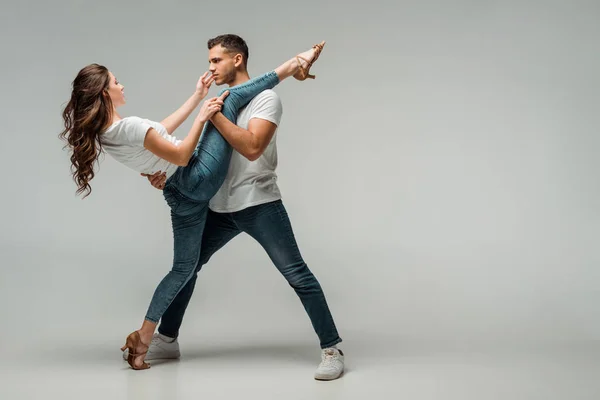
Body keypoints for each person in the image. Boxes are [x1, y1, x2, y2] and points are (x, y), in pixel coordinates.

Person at [60, 39, 325, 371]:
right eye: (115, 82)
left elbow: (162, 131)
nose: (121, 84)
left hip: (177, 192)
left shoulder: (109, 133)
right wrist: (204, 115)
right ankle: (291, 66)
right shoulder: (127, 126)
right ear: (103, 93)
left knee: (184, 268)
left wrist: (197, 97)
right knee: (225, 103)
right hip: (196, 178)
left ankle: (145, 340)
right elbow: (183, 154)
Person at [136, 34, 344, 381]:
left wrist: (213, 116)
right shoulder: (221, 102)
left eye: (216, 61)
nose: (211, 68)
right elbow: (199, 157)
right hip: (218, 206)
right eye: (209, 62)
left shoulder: (265, 99)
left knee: (297, 275)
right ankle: (168, 340)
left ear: (237, 60)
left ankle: (332, 349)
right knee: (187, 269)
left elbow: (251, 147)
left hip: (258, 203)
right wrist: (169, 175)